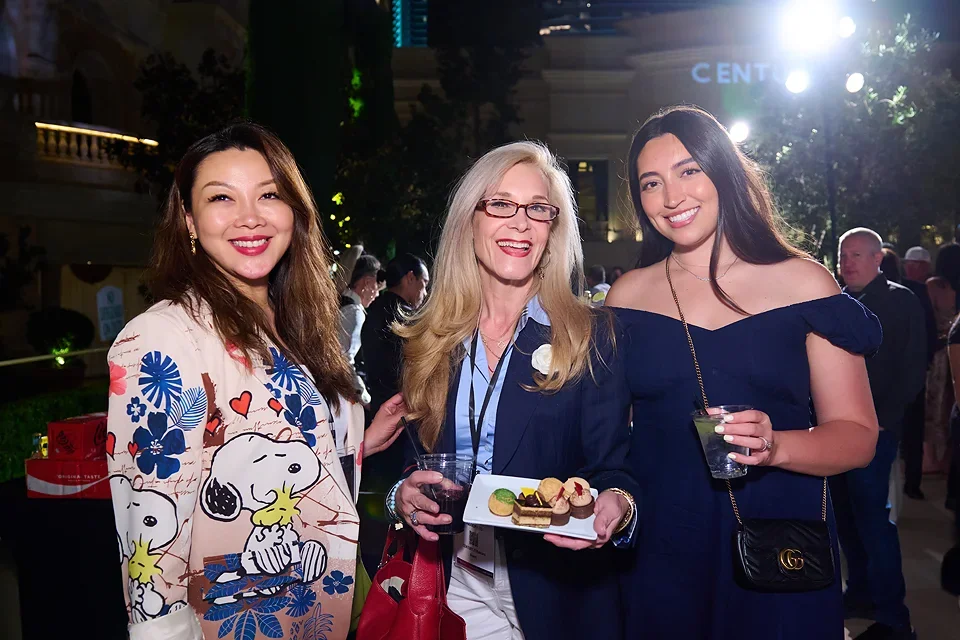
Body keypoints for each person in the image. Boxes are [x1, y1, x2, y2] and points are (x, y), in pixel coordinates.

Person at [105, 123, 406, 640]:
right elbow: (150, 551)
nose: (250, 216)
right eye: (221, 197)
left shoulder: (298, 324)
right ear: (189, 220)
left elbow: (281, 443)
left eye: (269, 194)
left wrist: (358, 442)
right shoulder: (161, 340)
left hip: (326, 610)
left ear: (294, 210)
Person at [606, 105, 881, 640]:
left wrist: (777, 446)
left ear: (724, 171)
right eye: (651, 183)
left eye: (689, 170)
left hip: (776, 544)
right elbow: (607, 437)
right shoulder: (627, 296)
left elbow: (857, 436)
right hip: (661, 547)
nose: (672, 197)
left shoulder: (804, 283)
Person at [391, 141, 638, 639]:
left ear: (553, 228)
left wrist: (619, 504)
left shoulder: (592, 335)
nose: (520, 223)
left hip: (556, 592)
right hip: (455, 581)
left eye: (537, 210)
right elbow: (415, 461)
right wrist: (402, 496)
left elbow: (616, 469)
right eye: (501, 204)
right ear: (470, 219)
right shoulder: (430, 338)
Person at [835, 227, 926, 639]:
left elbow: (912, 366)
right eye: (843, 255)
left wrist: (884, 421)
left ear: (877, 259)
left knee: (873, 521)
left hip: (874, 431)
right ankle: (861, 593)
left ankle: (894, 618)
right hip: (833, 431)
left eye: (856, 254)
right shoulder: (838, 301)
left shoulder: (900, 300)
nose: (848, 262)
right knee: (847, 520)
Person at [901, 246, 938, 499]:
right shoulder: (916, 292)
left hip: (910, 373)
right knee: (911, 430)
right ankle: (911, 483)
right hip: (911, 373)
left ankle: (912, 482)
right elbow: (930, 334)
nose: (911, 267)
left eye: (916, 264)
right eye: (909, 263)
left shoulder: (918, 291)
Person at [926, 243, 960, 474]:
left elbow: (928, 321)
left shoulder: (933, 286)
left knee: (936, 407)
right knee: (952, 404)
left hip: (939, 355)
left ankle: (932, 460)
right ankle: (949, 458)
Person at [339, 254, 382, 406]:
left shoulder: (341, 304)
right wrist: (364, 398)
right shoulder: (355, 312)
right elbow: (343, 359)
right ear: (367, 282)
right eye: (377, 287)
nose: (377, 294)